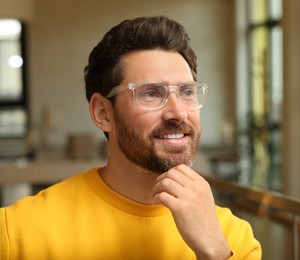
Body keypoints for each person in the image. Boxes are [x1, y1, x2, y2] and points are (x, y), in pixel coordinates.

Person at [0, 16, 261, 259]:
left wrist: (215, 253)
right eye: (151, 93)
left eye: (187, 92)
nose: (179, 112)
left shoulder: (233, 238)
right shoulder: (17, 233)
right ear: (103, 112)